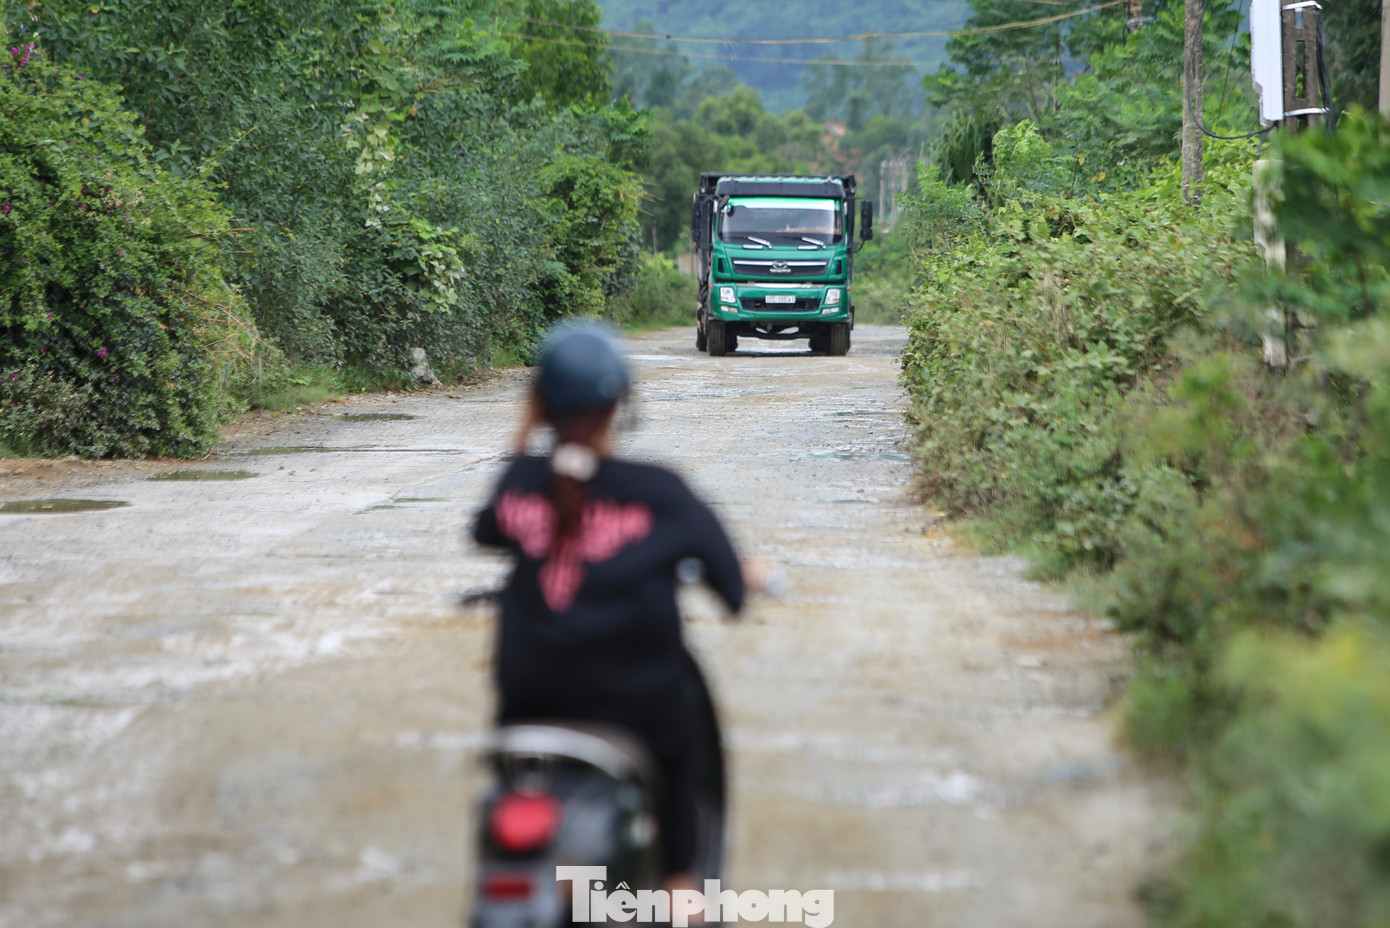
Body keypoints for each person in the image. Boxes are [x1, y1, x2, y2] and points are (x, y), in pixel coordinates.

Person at [471, 321, 747, 886]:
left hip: (526, 707)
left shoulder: (518, 485)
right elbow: (733, 591)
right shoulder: (660, 494)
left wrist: (525, 446)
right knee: (683, 747)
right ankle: (678, 885)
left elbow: (486, 531)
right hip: (635, 713)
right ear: (621, 401)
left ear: (538, 405)